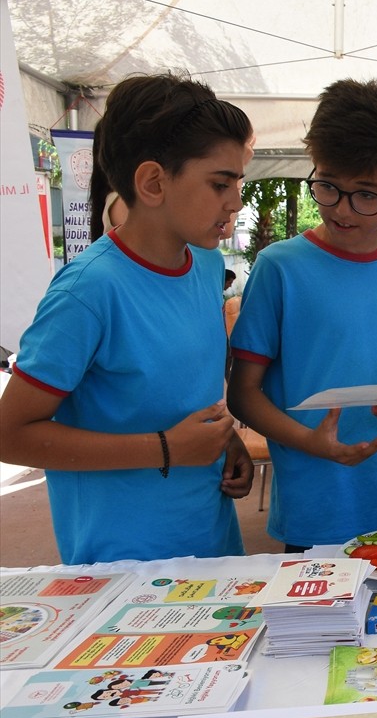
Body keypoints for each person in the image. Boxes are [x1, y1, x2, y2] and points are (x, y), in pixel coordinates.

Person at [0, 72, 253, 565]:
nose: (235, 202)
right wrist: (165, 449)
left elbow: (185, 390)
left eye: (238, 183)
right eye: (220, 183)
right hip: (122, 564)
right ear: (154, 182)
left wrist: (223, 441)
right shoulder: (88, 291)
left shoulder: (203, 265)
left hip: (211, 541)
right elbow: (10, 434)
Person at [228, 78, 377, 552]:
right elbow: (243, 395)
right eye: (327, 186)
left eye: (366, 194)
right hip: (320, 503)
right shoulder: (280, 268)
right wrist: (311, 442)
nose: (343, 210)